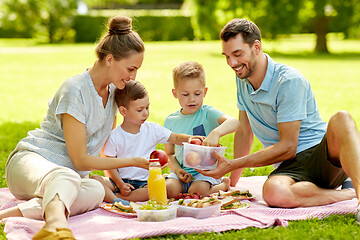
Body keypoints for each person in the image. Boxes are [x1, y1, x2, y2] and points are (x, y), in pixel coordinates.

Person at [0, 16, 150, 239]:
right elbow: (80, 160)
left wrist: (114, 179)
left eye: (136, 70)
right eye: (130, 68)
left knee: (96, 190)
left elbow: (101, 150)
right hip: (31, 163)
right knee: (68, 176)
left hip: (67, 178)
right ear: (110, 59)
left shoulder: (113, 96)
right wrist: (134, 161)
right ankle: (56, 226)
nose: (132, 77)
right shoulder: (75, 91)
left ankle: (10, 215)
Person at [197, 18, 360, 221]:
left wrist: (231, 163)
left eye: (237, 54)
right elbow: (245, 132)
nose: (232, 63)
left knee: (342, 118)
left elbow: (288, 147)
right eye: (227, 56)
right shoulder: (243, 79)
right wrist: (233, 183)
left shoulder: (288, 81)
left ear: (256, 47)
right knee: (273, 192)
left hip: (321, 156)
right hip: (290, 169)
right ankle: (347, 193)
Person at [91, 80, 198, 203]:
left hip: (144, 183)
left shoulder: (152, 129)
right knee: (95, 179)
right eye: (140, 110)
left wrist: (189, 139)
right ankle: (117, 198)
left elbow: (175, 138)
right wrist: (120, 184)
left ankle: (118, 198)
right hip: (118, 181)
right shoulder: (115, 136)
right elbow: (109, 165)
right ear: (123, 111)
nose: (146, 113)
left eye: (147, 107)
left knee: (159, 188)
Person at [164, 61, 240, 198]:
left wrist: (215, 133)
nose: (192, 99)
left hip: (205, 173)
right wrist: (178, 170)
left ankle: (223, 185)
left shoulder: (208, 113)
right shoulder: (170, 121)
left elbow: (235, 122)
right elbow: (169, 154)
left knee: (197, 192)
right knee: (168, 191)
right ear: (175, 93)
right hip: (181, 173)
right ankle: (183, 186)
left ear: (204, 92)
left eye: (197, 94)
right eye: (185, 94)